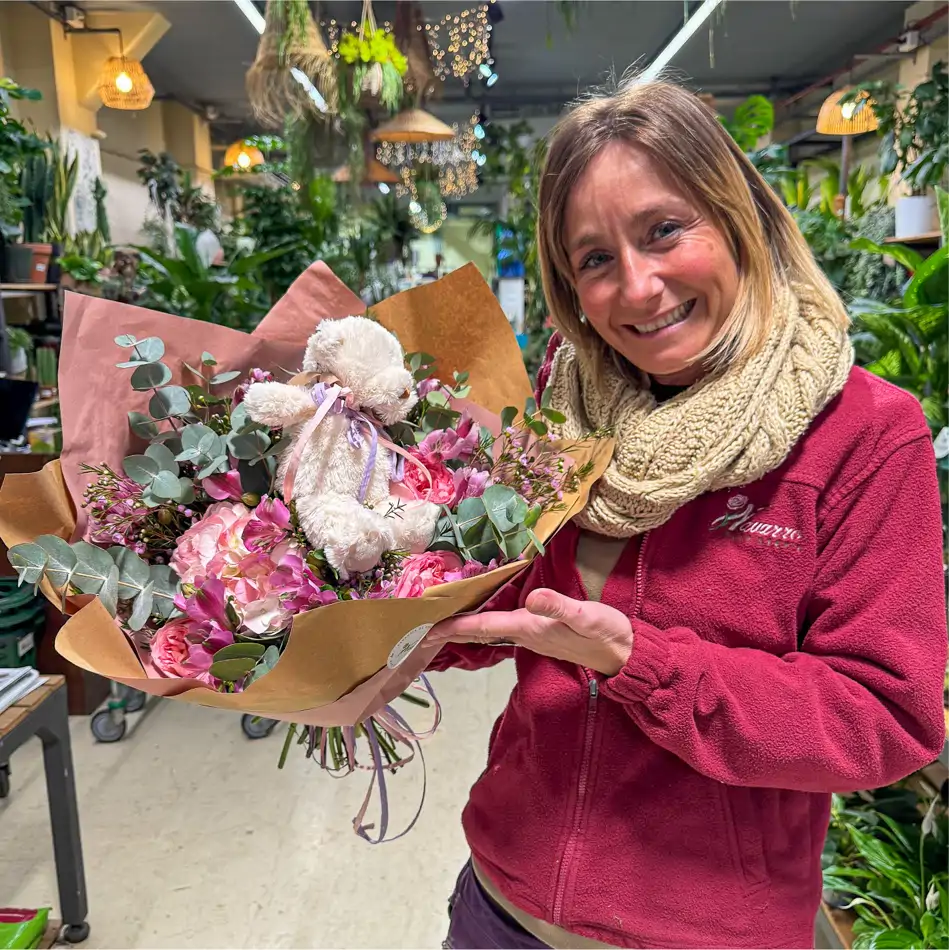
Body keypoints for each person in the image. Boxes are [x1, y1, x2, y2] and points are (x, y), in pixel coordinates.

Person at [427, 79, 948, 950]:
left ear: (736, 215)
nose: (638, 287)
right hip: (503, 907)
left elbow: (884, 716)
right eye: (594, 259)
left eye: (665, 230)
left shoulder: (863, 434)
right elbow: (511, 607)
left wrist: (645, 665)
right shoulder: (562, 412)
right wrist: (389, 621)